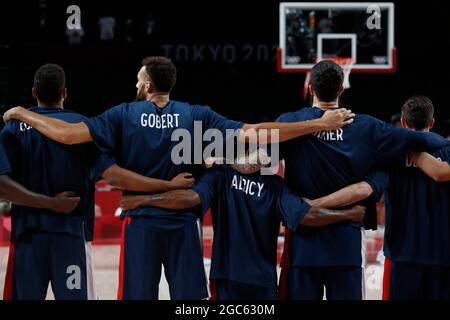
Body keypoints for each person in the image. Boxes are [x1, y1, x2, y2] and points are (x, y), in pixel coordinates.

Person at [2, 56, 354, 300]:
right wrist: (317, 124)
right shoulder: (195, 114)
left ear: (148, 84)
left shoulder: (123, 114)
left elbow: (67, 135)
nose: (135, 83)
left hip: (140, 225)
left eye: (138, 79)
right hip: (183, 227)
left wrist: (21, 113)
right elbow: (254, 132)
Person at [0, 64, 194, 300]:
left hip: (27, 238)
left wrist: (48, 202)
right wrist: (168, 184)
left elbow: (2, 186)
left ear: (33, 92)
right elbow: (113, 175)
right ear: (65, 93)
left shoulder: (11, 129)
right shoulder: (84, 128)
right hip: (70, 238)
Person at [276, 61, 449, 300]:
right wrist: (437, 143)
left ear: (310, 90)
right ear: (341, 90)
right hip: (346, 247)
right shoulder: (365, 126)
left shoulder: (288, 123)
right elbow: (426, 141)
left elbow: (255, 153)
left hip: (302, 247)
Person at [119, 150, 366, 300]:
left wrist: (142, 199)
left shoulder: (220, 174)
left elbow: (190, 199)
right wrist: (348, 214)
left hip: (226, 278)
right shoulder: (275, 186)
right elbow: (306, 216)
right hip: (263, 281)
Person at [306, 96, 450, 299]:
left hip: (402, 256)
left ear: (402, 122)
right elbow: (441, 173)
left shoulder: (392, 156)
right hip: (442, 258)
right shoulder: (446, 150)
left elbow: (363, 189)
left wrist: (315, 204)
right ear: (432, 122)